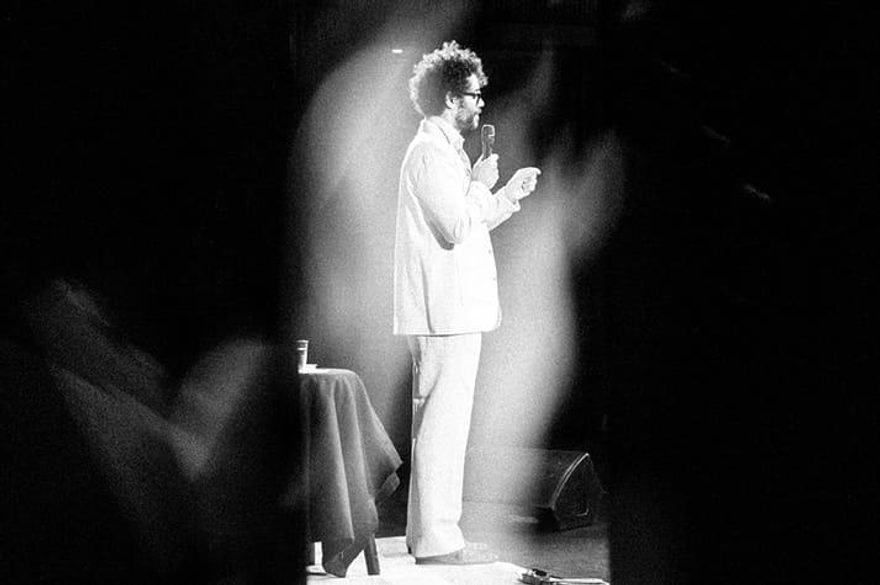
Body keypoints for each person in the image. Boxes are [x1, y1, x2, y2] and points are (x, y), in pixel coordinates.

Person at [393, 40, 541, 565]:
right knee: (441, 426)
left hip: (455, 311)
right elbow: (456, 226)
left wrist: (506, 197)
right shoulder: (428, 154)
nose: (481, 104)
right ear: (451, 97)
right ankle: (437, 540)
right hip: (443, 313)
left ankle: (431, 535)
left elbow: (469, 225)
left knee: (444, 424)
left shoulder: (446, 153)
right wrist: (480, 185)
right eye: (475, 95)